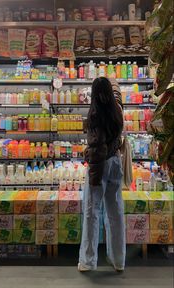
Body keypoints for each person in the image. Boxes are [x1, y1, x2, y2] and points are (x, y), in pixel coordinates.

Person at [78, 77, 125, 272]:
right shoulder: (117, 113)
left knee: (92, 212)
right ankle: (119, 260)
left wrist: (89, 158)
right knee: (115, 213)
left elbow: (97, 148)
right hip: (115, 162)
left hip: (99, 165)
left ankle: (88, 261)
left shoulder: (95, 115)